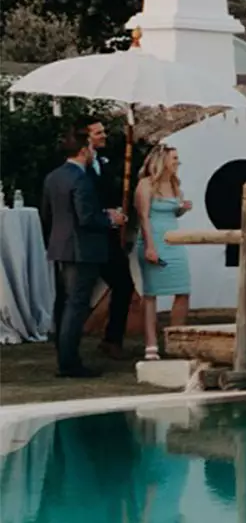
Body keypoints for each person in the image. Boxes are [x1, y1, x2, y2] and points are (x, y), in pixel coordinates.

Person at [40, 127, 125, 377]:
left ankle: (64, 356)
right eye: (89, 147)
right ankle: (69, 363)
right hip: (83, 249)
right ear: (82, 150)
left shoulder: (53, 177)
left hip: (61, 246)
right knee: (77, 306)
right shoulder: (81, 179)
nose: (92, 152)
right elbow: (87, 218)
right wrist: (111, 220)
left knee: (66, 303)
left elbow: (48, 215)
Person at [73, 121, 135, 357]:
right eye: (99, 132)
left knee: (124, 284)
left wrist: (117, 213)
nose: (104, 135)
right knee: (77, 292)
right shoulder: (77, 169)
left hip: (107, 236)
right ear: (86, 138)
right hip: (86, 237)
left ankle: (112, 339)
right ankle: (68, 342)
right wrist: (104, 214)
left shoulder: (104, 162)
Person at [131, 145, 194, 360]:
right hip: (154, 239)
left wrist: (182, 209)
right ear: (162, 160)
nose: (178, 162)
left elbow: (172, 212)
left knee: (183, 289)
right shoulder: (146, 185)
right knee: (151, 293)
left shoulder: (175, 185)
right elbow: (144, 216)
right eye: (174, 158)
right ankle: (151, 344)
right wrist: (150, 246)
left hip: (174, 241)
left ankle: (176, 339)